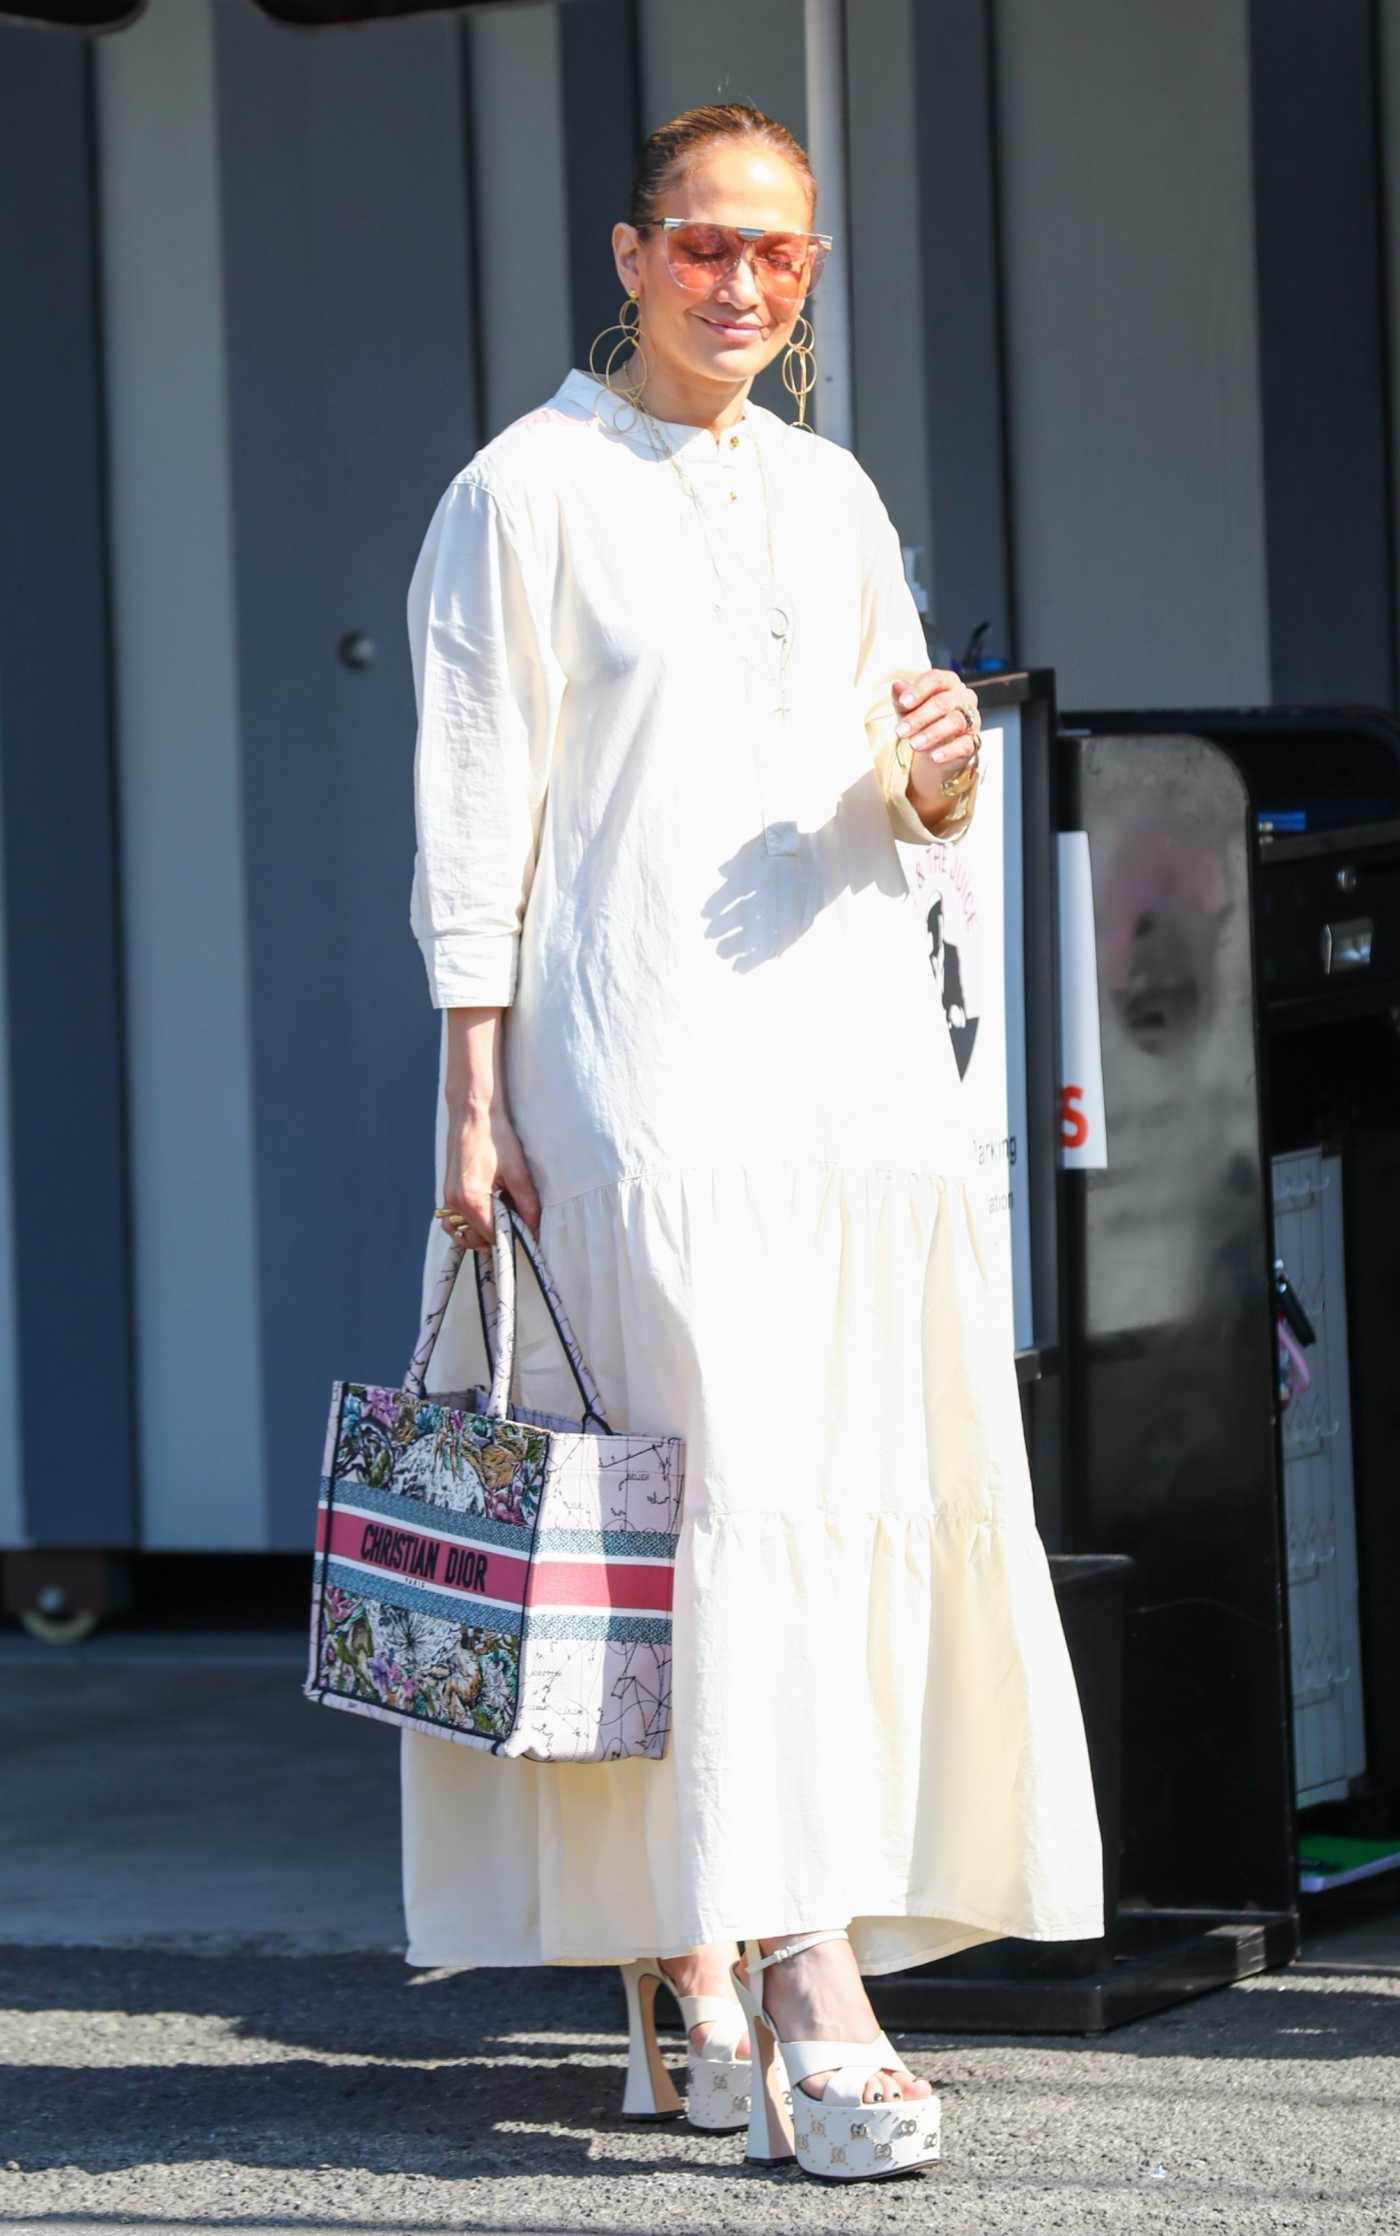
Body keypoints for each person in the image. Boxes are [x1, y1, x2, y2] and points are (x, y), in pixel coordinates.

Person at [403, 101, 1102, 2187]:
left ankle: (683, 1960)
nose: (737, 285)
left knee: (820, 1502)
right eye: (702, 245)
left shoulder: (832, 490)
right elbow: (471, 804)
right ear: (626, 255)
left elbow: (897, 781)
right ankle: (810, 1985)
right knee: (709, 1526)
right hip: (641, 1078)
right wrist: (469, 1089)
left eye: (777, 257)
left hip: (849, 1072)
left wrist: (946, 768)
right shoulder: (516, 493)